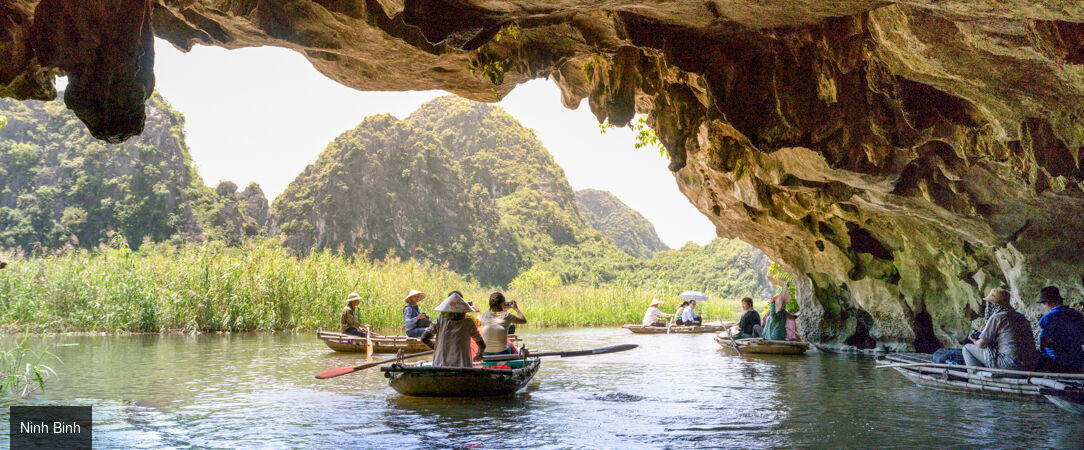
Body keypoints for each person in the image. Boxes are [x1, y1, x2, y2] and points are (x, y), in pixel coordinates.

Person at [962, 288, 1039, 372]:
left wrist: (973, 340)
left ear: (994, 304)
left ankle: (975, 378)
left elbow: (981, 345)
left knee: (967, 348)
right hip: (1031, 365)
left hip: (1011, 365)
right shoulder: (1021, 316)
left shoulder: (997, 317)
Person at [420, 293, 485, 367]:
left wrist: (437, 349)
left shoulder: (440, 320)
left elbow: (424, 338)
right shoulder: (468, 322)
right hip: (463, 367)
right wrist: (478, 355)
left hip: (440, 366)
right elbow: (482, 345)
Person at [1035, 286, 1084, 373]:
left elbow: (1043, 344)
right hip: (1078, 360)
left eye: (1043, 304)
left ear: (1048, 303)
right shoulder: (1077, 315)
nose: (1043, 307)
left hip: (1057, 362)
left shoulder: (1048, 318)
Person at [480, 291, 527, 356]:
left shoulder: (484, 315)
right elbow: (523, 320)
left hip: (485, 354)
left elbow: (493, 313)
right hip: (502, 353)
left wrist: (501, 309)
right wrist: (516, 309)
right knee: (510, 345)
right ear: (502, 303)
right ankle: (515, 364)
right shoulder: (507, 315)